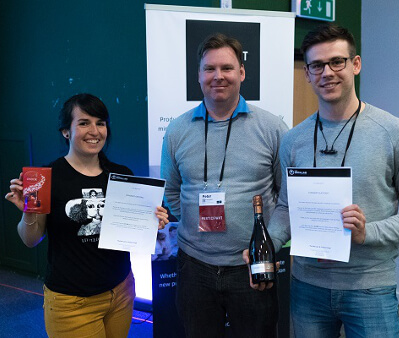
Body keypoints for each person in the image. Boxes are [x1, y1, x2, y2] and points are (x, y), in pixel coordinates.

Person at [269, 24, 399, 337]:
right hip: (306, 286)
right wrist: (269, 242)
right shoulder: (293, 140)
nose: (327, 72)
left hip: (369, 287)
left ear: (355, 64)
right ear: (307, 73)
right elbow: (285, 208)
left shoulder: (396, 133)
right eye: (317, 65)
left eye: (337, 62)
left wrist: (367, 233)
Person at [5, 93, 169, 338]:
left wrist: (153, 223)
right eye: (84, 123)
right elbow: (31, 239)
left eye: (100, 123)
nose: (95, 130)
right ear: (66, 131)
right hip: (72, 302)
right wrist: (29, 211)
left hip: (121, 292)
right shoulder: (45, 177)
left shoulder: (121, 174)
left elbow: (134, 233)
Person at [161, 33, 288, 338]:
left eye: (227, 68)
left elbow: (287, 198)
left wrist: (269, 245)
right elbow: (172, 191)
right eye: (209, 69)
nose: (218, 76)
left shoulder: (272, 128)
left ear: (242, 73)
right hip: (194, 268)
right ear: (199, 75)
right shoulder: (178, 129)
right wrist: (195, 219)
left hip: (250, 267)